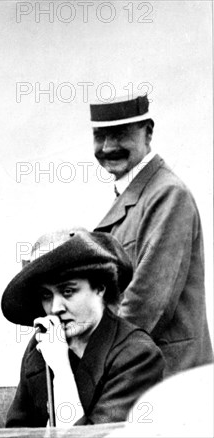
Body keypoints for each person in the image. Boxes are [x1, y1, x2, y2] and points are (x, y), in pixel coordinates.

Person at [91, 94, 213, 376]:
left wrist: (95, 366)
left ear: (148, 133)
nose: (108, 147)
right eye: (100, 135)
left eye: (120, 134)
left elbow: (146, 303)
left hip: (168, 378)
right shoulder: (137, 194)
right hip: (142, 370)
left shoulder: (168, 194)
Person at [2, 229, 164, 427]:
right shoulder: (41, 344)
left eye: (68, 291)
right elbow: (18, 429)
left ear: (100, 288)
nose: (55, 308)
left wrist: (61, 370)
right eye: (46, 295)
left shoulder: (137, 355)